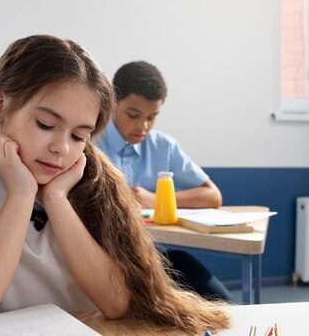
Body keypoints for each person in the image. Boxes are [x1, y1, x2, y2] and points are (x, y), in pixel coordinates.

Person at [0, 35, 229, 336]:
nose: (62, 148)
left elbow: (115, 304)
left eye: (78, 135)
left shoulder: (91, 188)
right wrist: (21, 193)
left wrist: (56, 198)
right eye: (46, 124)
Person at [95, 60, 231, 301]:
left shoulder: (163, 147)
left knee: (215, 294)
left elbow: (213, 196)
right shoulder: (91, 140)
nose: (143, 126)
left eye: (152, 117)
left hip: (153, 257)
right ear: (112, 103)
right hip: (103, 257)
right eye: (133, 115)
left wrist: (156, 200)